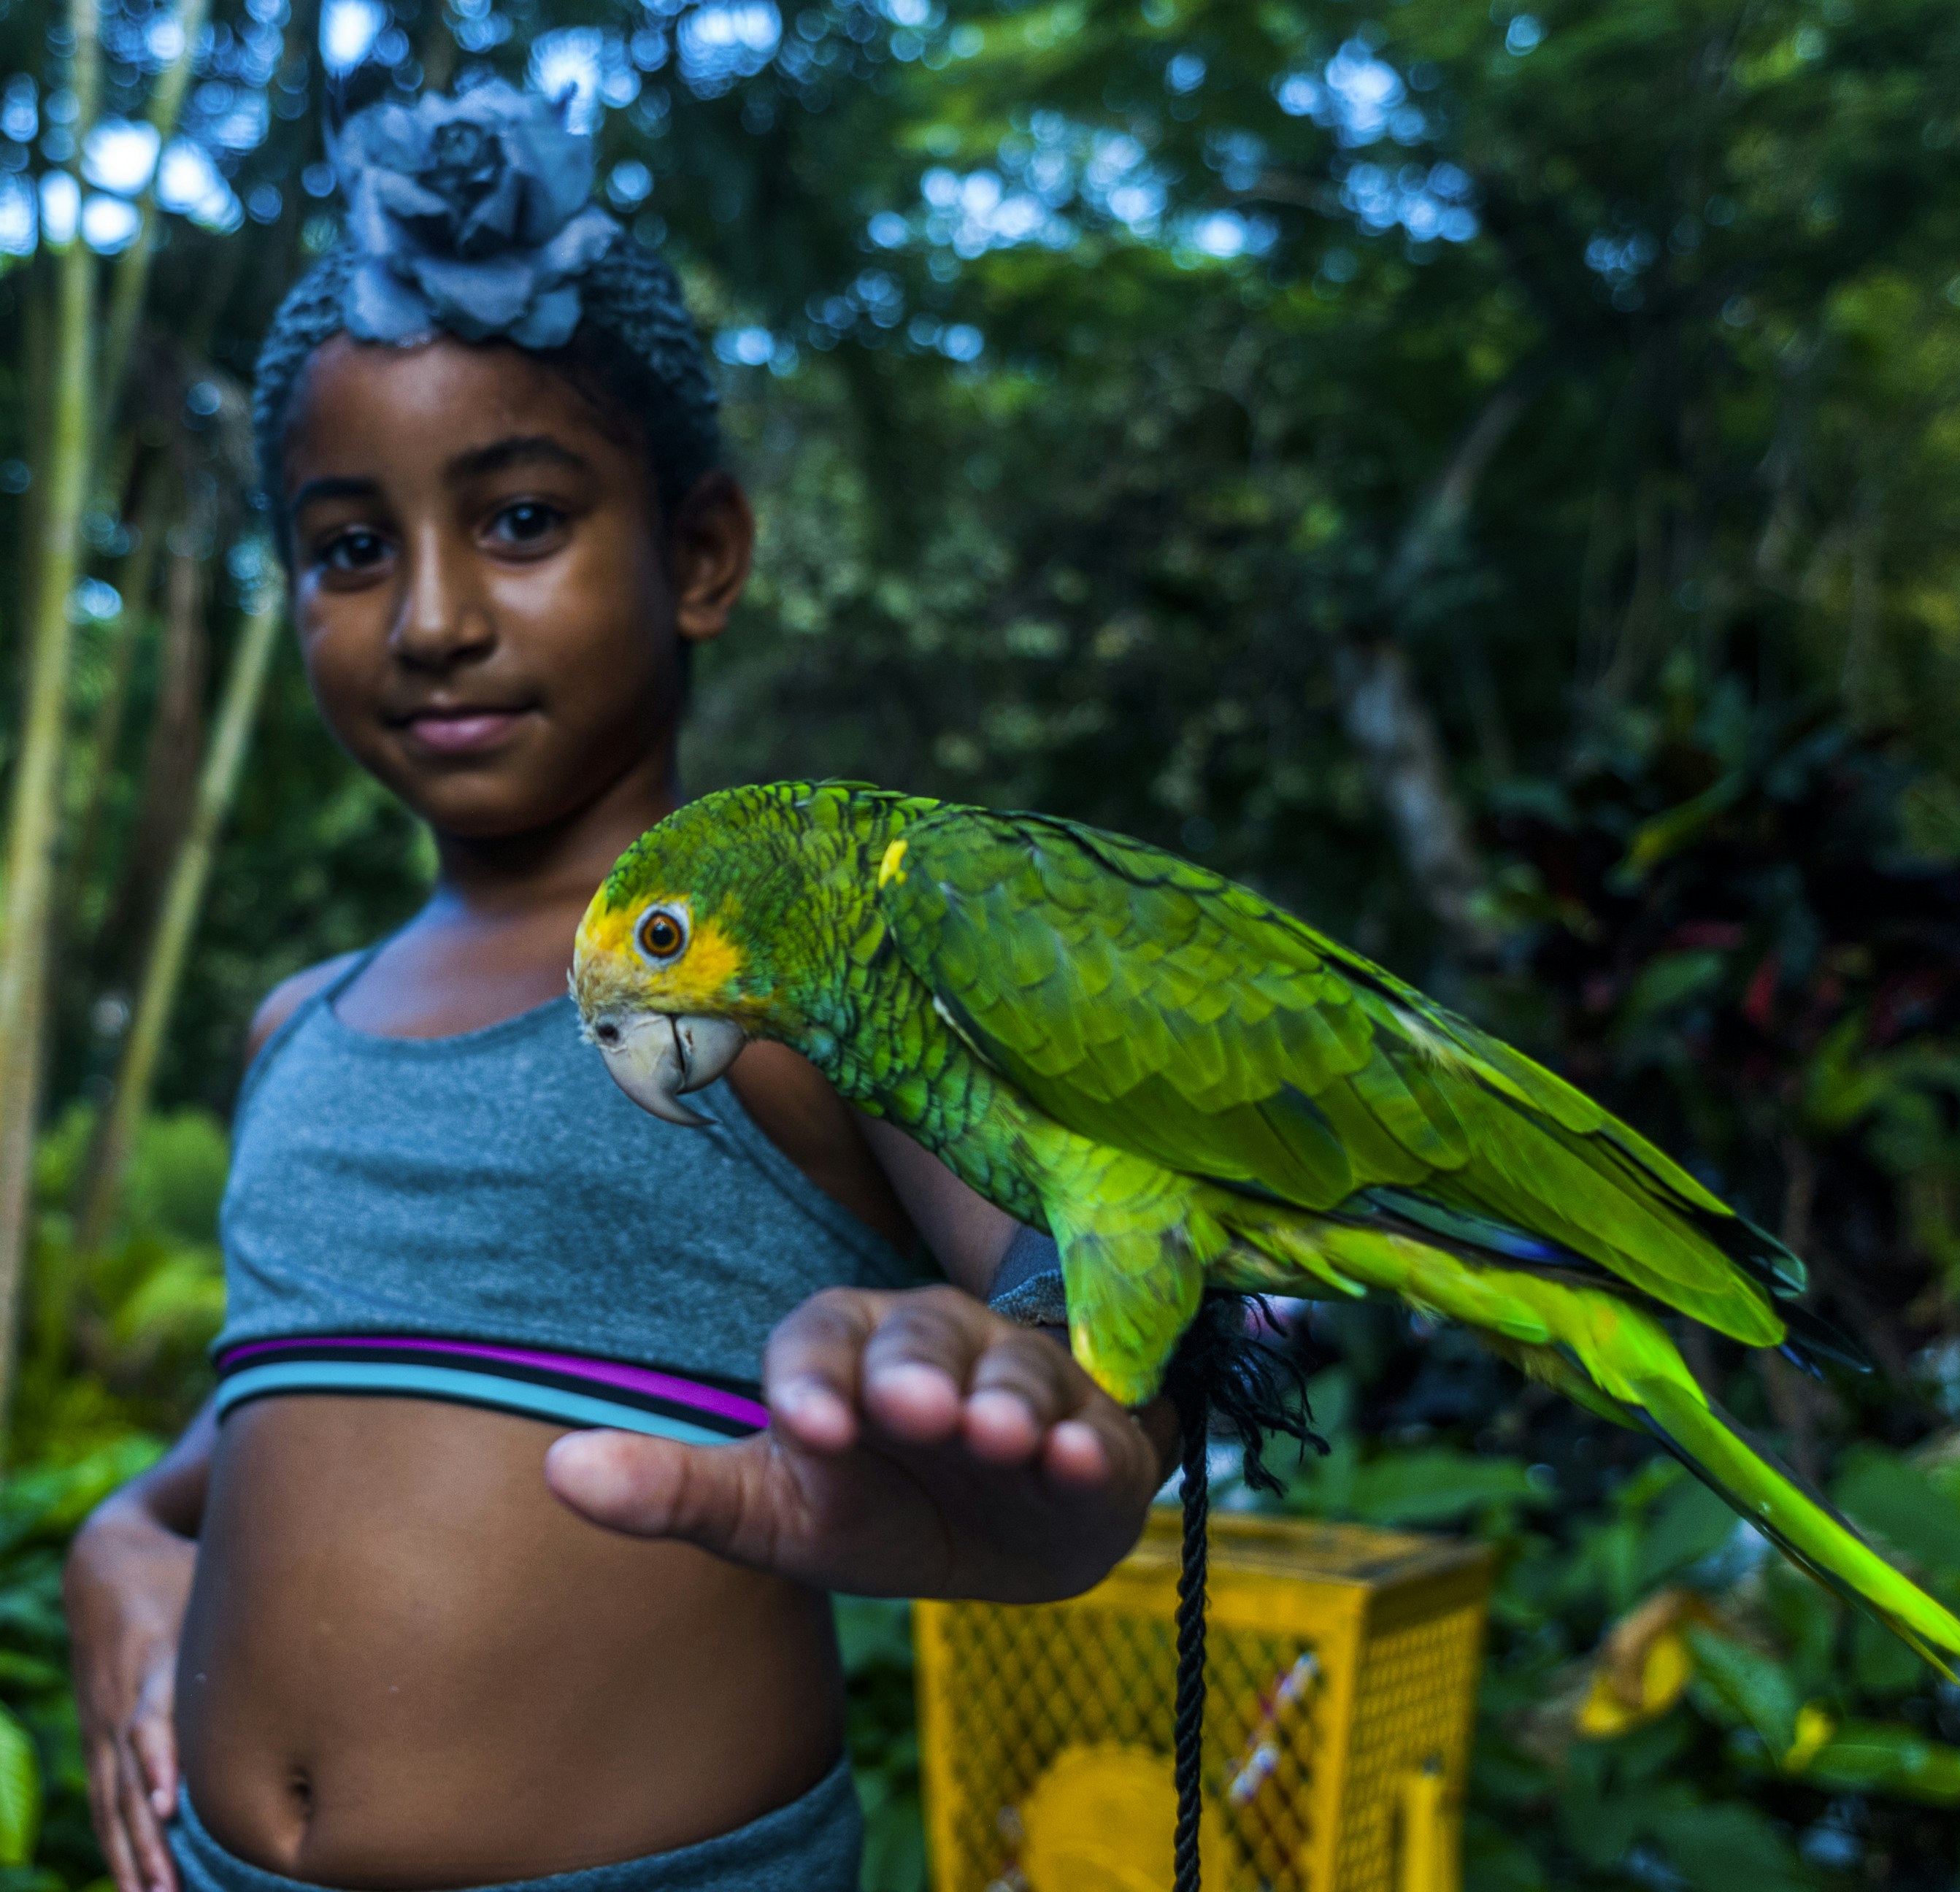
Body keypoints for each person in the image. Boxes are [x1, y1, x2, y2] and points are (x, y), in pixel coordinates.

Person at [62, 82, 1170, 1892]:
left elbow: (1109, 1294)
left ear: (703, 554)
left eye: (516, 521)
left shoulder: (804, 986)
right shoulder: (298, 1026)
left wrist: (1052, 1391)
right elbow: (304, 1383)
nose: (431, 617)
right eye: (351, 548)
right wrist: (123, 1530)